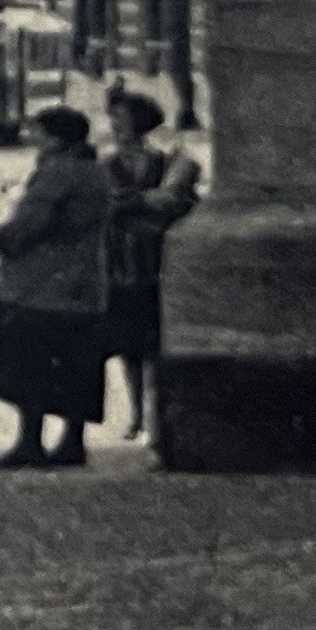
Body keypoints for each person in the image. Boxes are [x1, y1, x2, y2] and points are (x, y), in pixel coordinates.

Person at [0, 103, 117, 470]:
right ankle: (72, 441)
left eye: (39, 132)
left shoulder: (57, 174)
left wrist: (3, 238)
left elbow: (29, 224)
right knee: (77, 364)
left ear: (56, 138)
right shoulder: (95, 171)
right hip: (85, 285)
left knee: (31, 363)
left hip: (41, 286)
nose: (32, 138)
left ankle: (30, 442)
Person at [101, 87, 206, 443]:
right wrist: (148, 203)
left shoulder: (164, 162)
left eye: (123, 118)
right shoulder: (111, 165)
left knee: (156, 344)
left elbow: (172, 202)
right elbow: (114, 205)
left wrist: (135, 204)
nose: (116, 126)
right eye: (114, 119)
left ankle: (154, 415)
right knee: (130, 346)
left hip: (158, 263)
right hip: (125, 263)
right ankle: (136, 415)